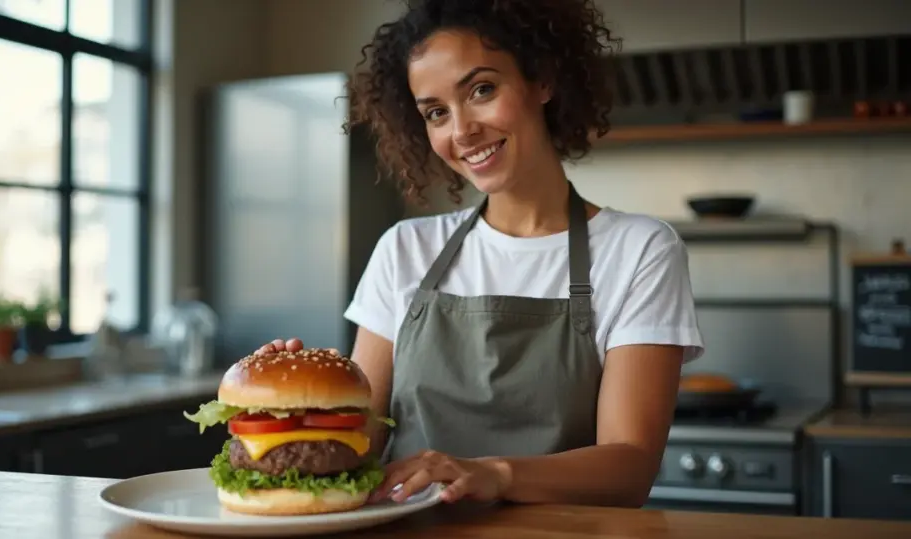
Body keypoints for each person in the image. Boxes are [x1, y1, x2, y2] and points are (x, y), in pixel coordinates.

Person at [257, 0, 704, 508]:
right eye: (436, 113)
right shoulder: (404, 249)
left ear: (542, 80)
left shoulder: (640, 249)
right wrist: (297, 415)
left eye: (482, 90)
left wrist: (493, 473)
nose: (462, 130)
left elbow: (630, 465)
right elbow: (363, 441)